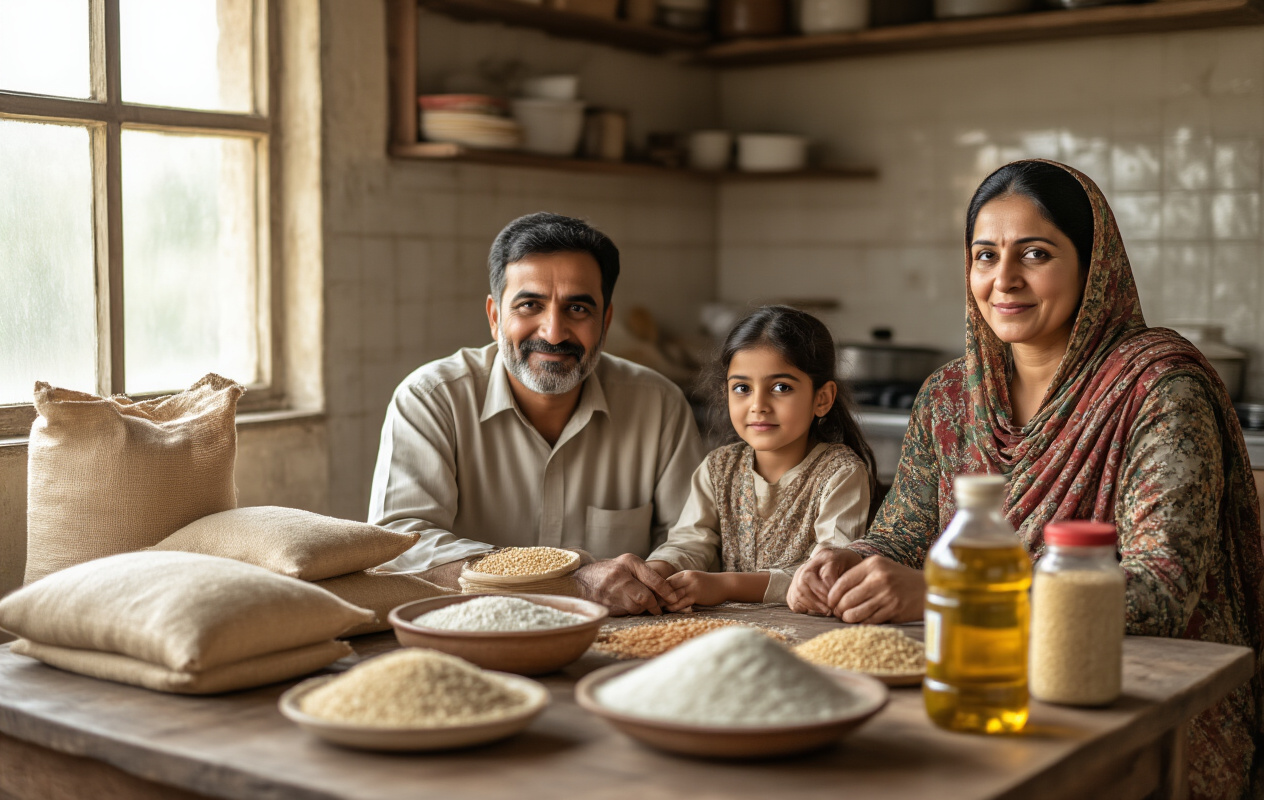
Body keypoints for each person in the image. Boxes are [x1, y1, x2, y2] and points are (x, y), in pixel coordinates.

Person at [788, 159, 1264, 799]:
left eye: (1034, 254)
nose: (1003, 280)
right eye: (985, 256)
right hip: (977, 681)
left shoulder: (1158, 389)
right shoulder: (950, 395)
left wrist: (939, 596)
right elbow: (900, 541)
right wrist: (848, 565)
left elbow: (1162, 594)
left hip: (1137, 705)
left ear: (1093, 266)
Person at [368, 212, 705, 616]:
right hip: (470, 629)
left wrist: (650, 578)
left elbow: (693, 536)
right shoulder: (430, 399)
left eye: (578, 308)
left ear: (606, 321)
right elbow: (402, 544)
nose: (554, 332)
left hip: (621, 635)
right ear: (495, 317)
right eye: (530, 305)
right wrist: (572, 579)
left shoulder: (659, 404)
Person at [643, 306, 876, 610]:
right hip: (726, 632)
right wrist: (659, 572)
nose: (758, 405)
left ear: (822, 398)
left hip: (807, 634)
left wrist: (727, 585)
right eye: (742, 388)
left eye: (781, 387)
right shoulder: (717, 469)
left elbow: (827, 572)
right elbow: (690, 542)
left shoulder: (841, 474)